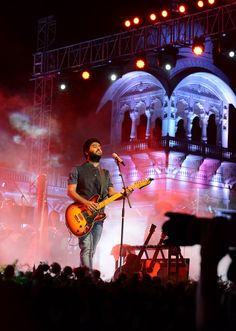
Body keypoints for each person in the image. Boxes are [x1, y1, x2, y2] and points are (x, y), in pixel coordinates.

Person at [67, 137, 132, 271]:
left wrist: (125, 193)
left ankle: (82, 276)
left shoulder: (105, 174)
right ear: (86, 152)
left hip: (98, 217)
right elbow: (71, 192)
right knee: (86, 247)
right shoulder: (77, 170)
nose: (99, 148)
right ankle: (88, 280)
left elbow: (112, 194)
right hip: (81, 214)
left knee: (92, 250)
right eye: (95, 146)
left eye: (100, 146)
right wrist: (86, 203)